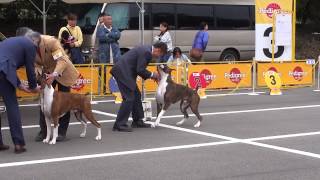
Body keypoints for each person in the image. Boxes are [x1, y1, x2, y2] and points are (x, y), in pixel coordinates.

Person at [16, 27, 79, 142]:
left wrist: (54, 74)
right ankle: (44, 131)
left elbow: (62, 60)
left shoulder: (51, 42)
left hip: (62, 72)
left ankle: (61, 132)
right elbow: (34, 64)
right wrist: (39, 76)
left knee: (64, 101)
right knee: (44, 101)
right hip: (46, 73)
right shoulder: (28, 47)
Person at [110, 42, 167, 132]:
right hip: (123, 72)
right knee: (128, 98)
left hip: (125, 72)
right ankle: (119, 124)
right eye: (160, 55)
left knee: (136, 95)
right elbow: (140, 69)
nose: (158, 57)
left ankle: (137, 121)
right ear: (158, 50)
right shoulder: (147, 52)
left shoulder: (146, 49)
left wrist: (151, 75)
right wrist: (153, 75)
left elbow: (139, 68)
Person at [0, 32, 41, 153]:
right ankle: (18, 144)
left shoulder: (11, 41)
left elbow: (8, 62)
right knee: (12, 106)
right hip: (3, 72)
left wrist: (19, 84)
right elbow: (30, 68)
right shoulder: (30, 45)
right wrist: (33, 87)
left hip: (3, 69)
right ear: (35, 41)